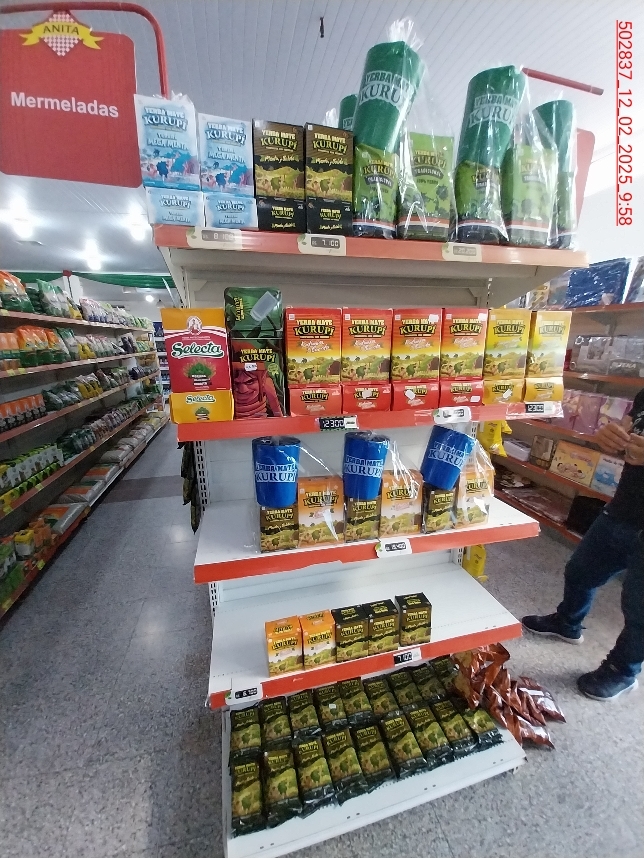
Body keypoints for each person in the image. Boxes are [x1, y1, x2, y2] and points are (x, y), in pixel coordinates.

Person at [522, 389, 644, 700]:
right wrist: (610, 438)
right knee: (580, 571)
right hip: (623, 509)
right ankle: (567, 622)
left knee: (639, 609)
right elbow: (626, 430)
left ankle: (622, 670)